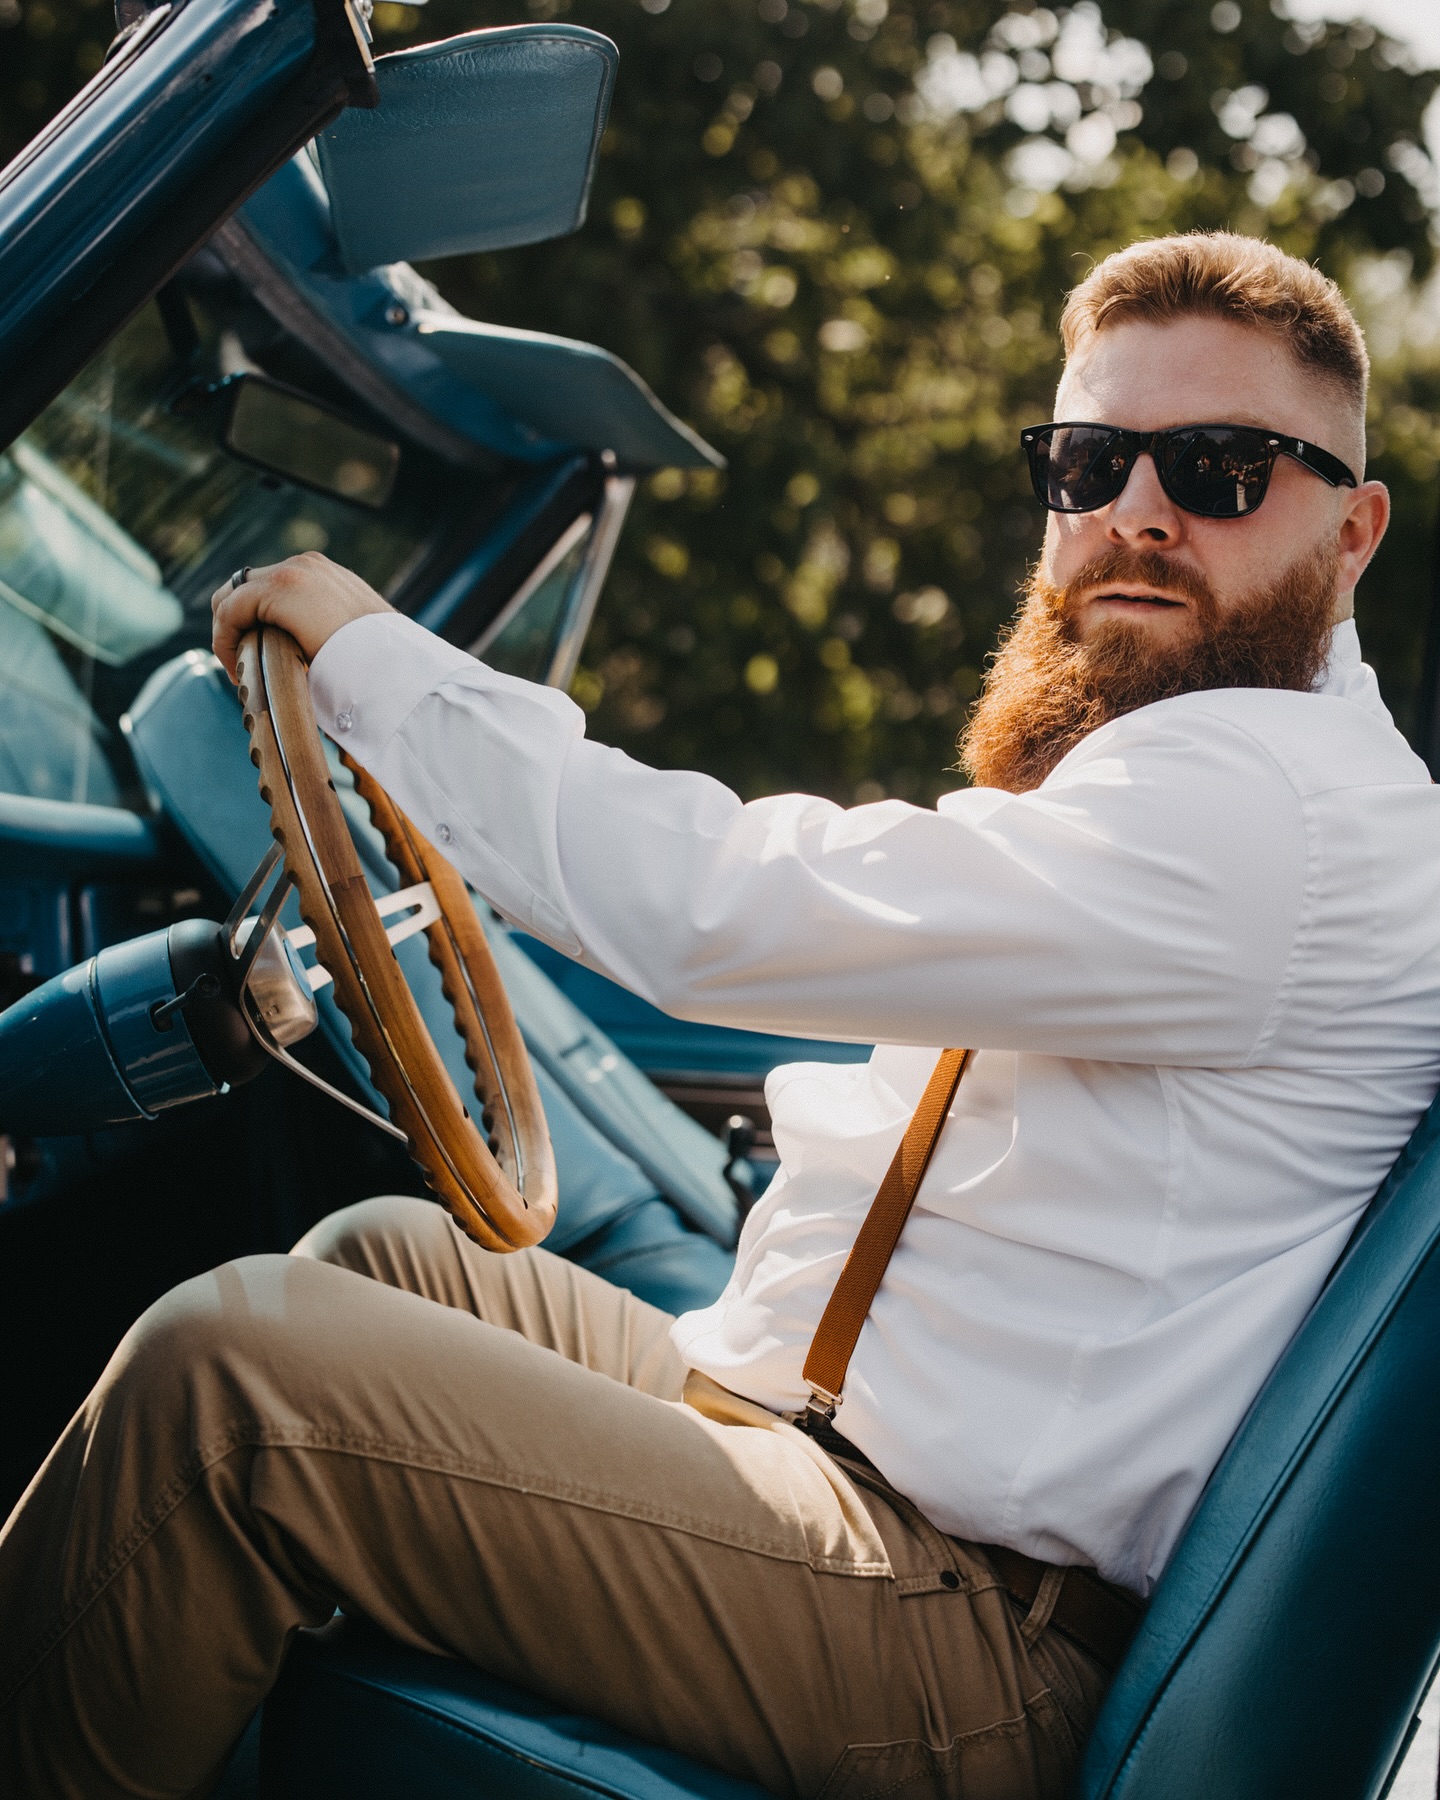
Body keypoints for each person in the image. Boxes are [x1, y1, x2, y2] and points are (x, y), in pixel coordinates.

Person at [2, 230, 1435, 1800]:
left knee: (232, 1388)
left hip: (966, 1627)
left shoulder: (1267, 818)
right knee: (381, 1262)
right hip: (836, 1453)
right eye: (1090, 462)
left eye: (1222, 469)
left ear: (1352, 530)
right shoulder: (1227, 772)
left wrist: (373, 668)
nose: (1135, 513)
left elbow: (716, 907)